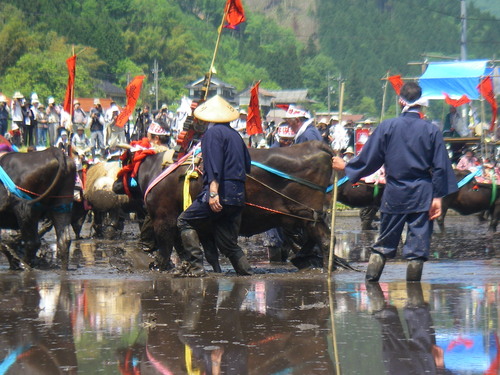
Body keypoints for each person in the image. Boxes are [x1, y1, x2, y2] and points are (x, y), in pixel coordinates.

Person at [332, 82, 457, 282]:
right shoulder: (432, 130)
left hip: (395, 191)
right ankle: (415, 301)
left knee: (383, 244)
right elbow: (441, 167)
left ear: (401, 101)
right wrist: (438, 197)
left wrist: (346, 167)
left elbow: (370, 158)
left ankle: (372, 289)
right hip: (423, 193)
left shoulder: (388, 126)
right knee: (417, 250)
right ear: (421, 103)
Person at [175, 95, 252, 277]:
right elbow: (247, 165)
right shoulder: (236, 135)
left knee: (184, 221)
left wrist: (213, 193)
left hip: (221, 192)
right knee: (228, 244)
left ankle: (195, 266)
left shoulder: (212, 134)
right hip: (238, 194)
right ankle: (247, 276)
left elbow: (214, 165)